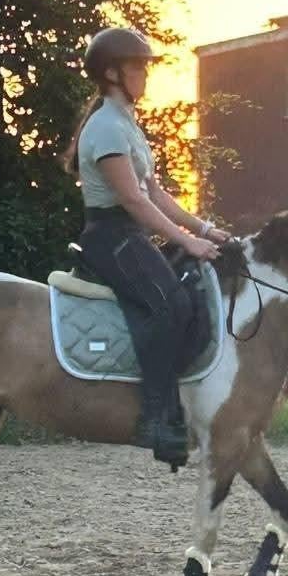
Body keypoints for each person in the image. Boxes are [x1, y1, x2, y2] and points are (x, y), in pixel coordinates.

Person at [62, 27, 230, 467]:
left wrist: (206, 229)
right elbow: (132, 200)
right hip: (109, 237)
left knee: (184, 292)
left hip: (129, 235)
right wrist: (188, 242)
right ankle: (155, 417)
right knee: (168, 303)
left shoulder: (126, 125)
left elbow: (156, 194)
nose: (145, 75)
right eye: (138, 67)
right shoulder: (105, 128)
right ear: (113, 73)